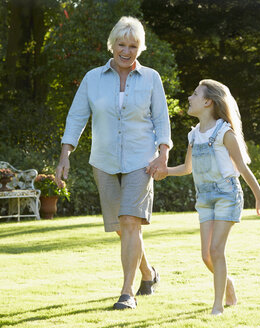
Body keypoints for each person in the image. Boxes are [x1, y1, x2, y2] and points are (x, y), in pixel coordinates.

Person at [55, 16, 172, 310]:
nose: (126, 50)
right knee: (123, 226)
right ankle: (148, 273)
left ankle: (127, 293)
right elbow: (76, 117)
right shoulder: (93, 78)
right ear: (112, 45)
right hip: (104, 161)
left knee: (131, 222)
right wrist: (65, 154)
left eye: (133, 45)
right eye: (122, 44)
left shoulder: (151, 78)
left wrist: (163, 153)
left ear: (139, 48)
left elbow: (161, 118)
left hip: (140, 159)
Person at [167, 79, 260, 315]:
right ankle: (229, 284)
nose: (190, 98)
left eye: (194, 94)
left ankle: (217, 305)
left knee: (216, 250)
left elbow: (242, 168)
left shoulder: (225, 133)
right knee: (206, 256)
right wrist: (162, 171)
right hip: (204, 199)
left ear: (207, 101)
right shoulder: (193, 135)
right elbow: (186, 168)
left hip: (227, 195)